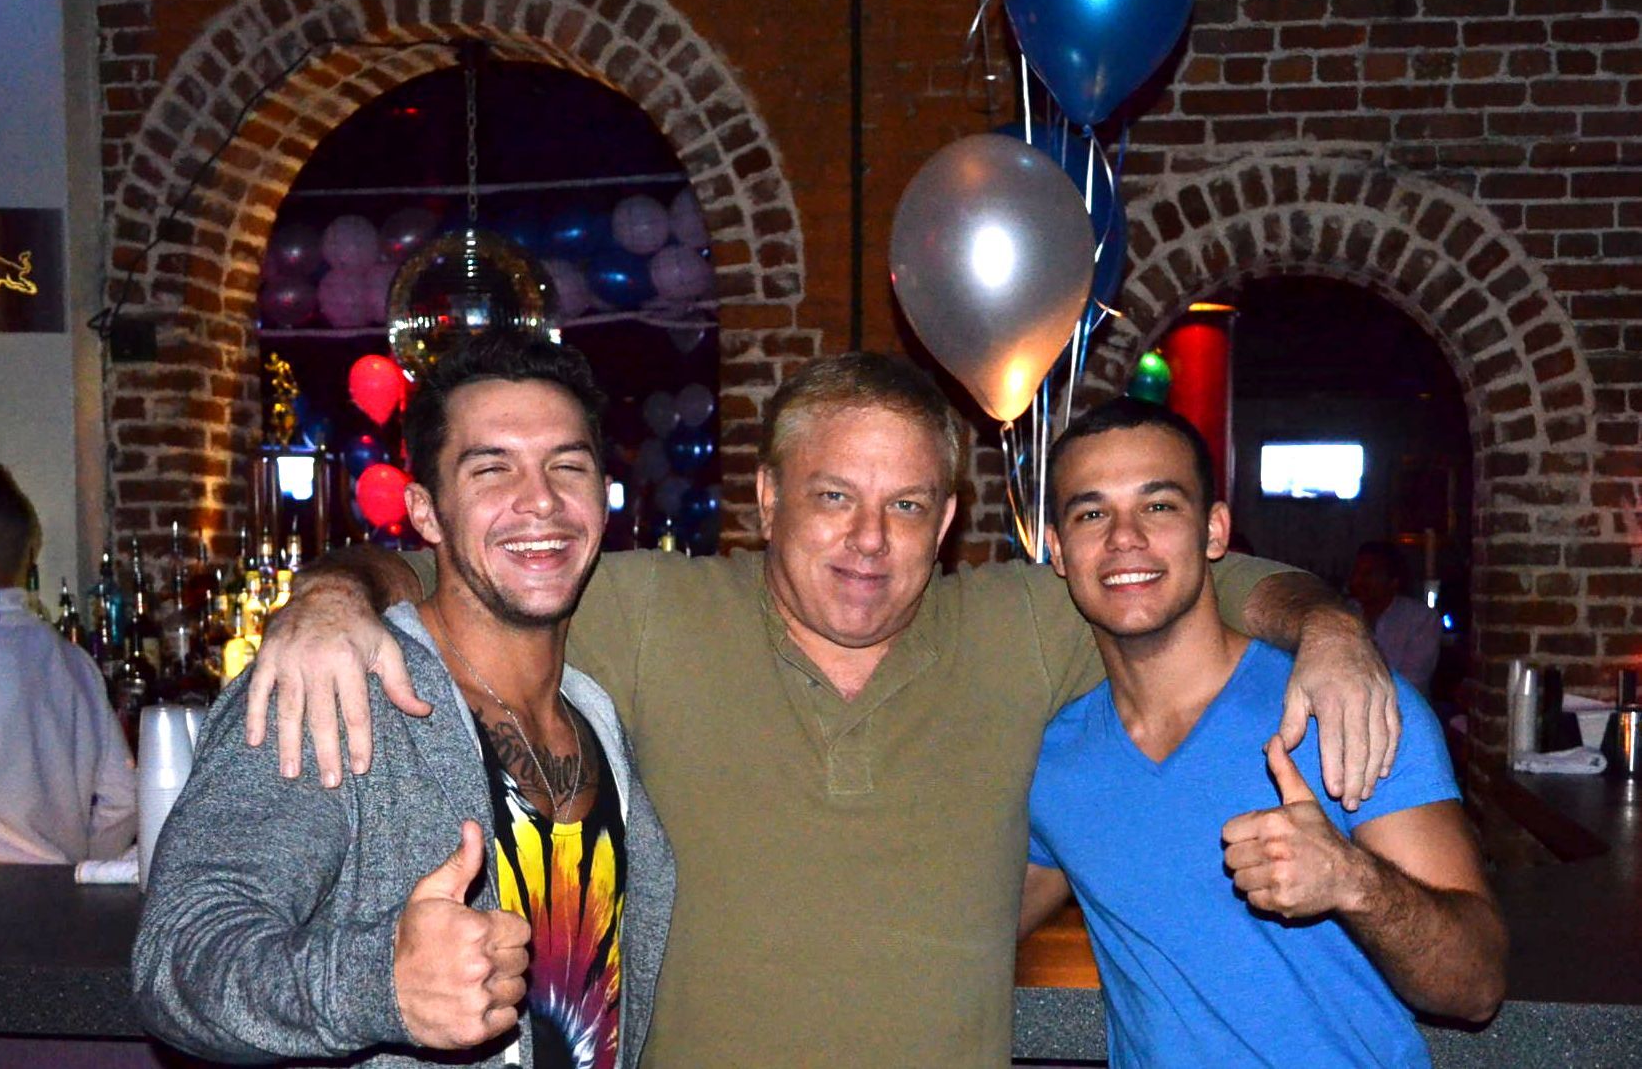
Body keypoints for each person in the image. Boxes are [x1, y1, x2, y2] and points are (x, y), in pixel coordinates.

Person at [250, 353, 1401, 1068]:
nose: (867, 540)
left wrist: (1330, 625)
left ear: (945, 521)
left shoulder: (1017, 622)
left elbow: (1190, 572)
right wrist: (332, 596)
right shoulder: (648, 609)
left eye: (904, 504)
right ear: (766, 499)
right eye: (834, 496)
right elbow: (460, 570)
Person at [133, 334, 674, 1068]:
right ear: (425, 512)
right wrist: (380, 986)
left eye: (567, 466)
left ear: (602, 499)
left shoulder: (598, 719)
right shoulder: (336, 690)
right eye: (492, 469)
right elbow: (179, 959)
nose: (540, 499)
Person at [1021, 398, 1505, 1066]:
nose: (1124, 537)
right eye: (1091, 513)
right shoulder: (1057, 761)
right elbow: (972, 927)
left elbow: (1475, 986)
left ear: (1214, 532)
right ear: (1057, 550)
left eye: (1158, 505)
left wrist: (1351, 881)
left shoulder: (1346, 703)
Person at [0, 459, 135, 865]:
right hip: (59, 892)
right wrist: (80, 867)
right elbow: (123, 799)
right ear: (27, 556)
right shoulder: (75, 663)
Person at [1349, 539, 1443, 696]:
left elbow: (1413, 680)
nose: (1359, 581)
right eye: (1356, 573)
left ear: (1393, 581)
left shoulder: (1420, 619)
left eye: (1369, 574)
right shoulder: (1345, 613)